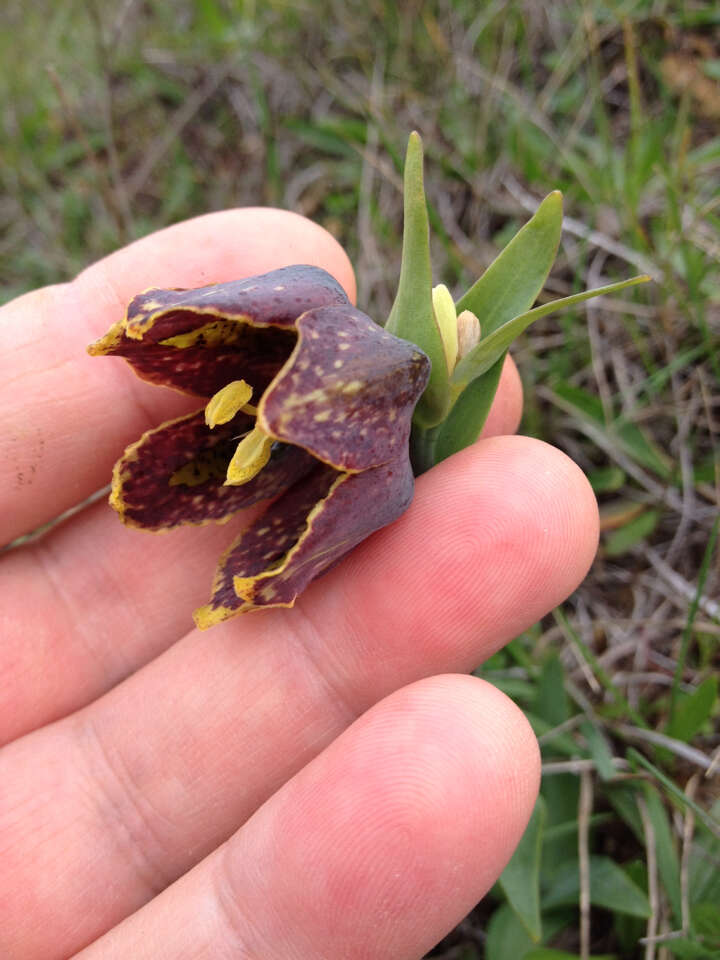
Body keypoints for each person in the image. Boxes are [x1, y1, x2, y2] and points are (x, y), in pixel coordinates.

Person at [0, 208, 599, 959]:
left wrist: (305, 412)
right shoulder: (343, 366)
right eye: (285, 412)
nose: (277, 420)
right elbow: (174, 362)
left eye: (298, 410)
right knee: (173, 482)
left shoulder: (380, 408)